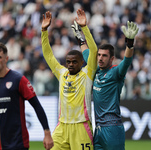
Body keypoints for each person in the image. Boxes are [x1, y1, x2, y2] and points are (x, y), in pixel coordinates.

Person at [0, 43, 53, 150]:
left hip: (17, 144)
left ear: (6, 59)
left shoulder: (18, 79)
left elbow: (37, 106)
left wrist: (47, 132)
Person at [72, 21, 139, 149]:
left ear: (111, 58)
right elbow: (86, 53)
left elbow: (126, 61)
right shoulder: (96, 69)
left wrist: (129, 44)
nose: (100, 58)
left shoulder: (115, 73)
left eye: (104, 56)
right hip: (98, 130)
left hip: (113, 129)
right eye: (99, 55)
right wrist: (79, 37)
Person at [41, 9, 97, 150]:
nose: (71, 64)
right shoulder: (62, 73)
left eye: (74, 62)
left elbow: (94, 51)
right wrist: (43, 31)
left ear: (81, 62)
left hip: (81, 126)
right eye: (68, 62)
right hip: (62, 126)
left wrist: (84, 28)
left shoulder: (87, 74)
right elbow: (48, 55)